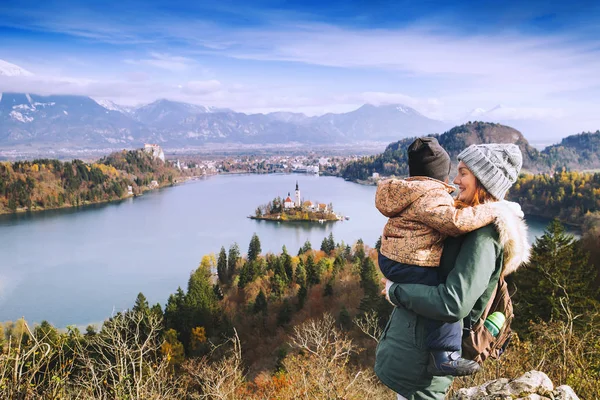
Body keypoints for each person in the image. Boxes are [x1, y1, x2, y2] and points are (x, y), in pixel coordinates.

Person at [374, 143, 530, 400]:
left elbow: (453, 303)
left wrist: (396, 291)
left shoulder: (483, 237)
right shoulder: (463, 221)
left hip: (423, 367)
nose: (455, 180)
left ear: (483, 180)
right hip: (414, 355)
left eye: (463, 172)